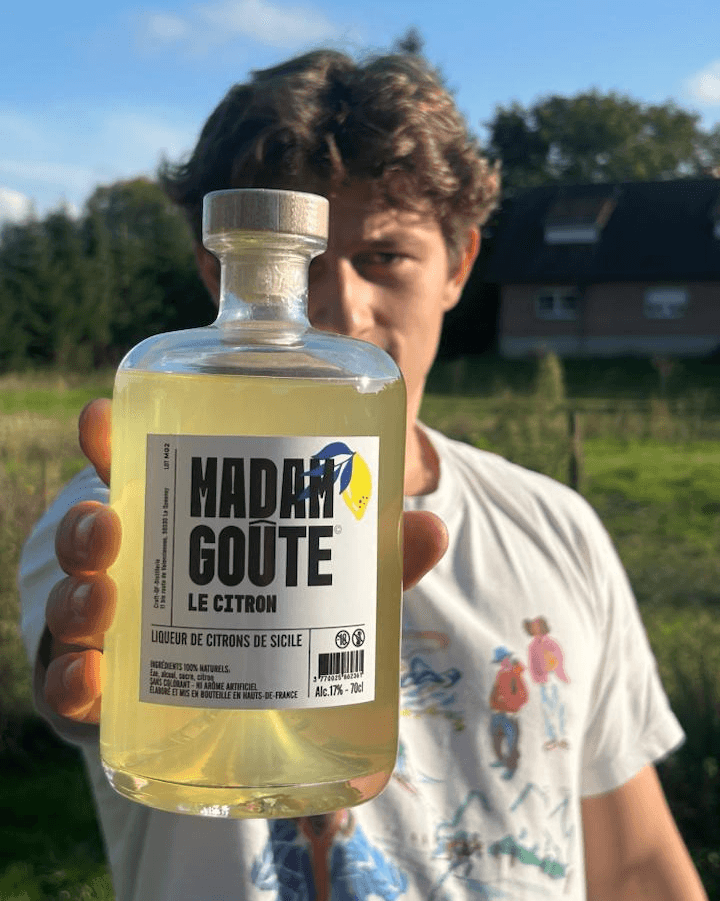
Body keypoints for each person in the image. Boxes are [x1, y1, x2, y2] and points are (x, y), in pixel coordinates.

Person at [19, 47, 707, 901]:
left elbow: (635, 863)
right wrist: (85, 659)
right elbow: (75, 677)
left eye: (384, 257)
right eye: (304, 263)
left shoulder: (558, 527)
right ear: (217, 264)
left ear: (459, 264)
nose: (342, 310)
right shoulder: (136, 498)